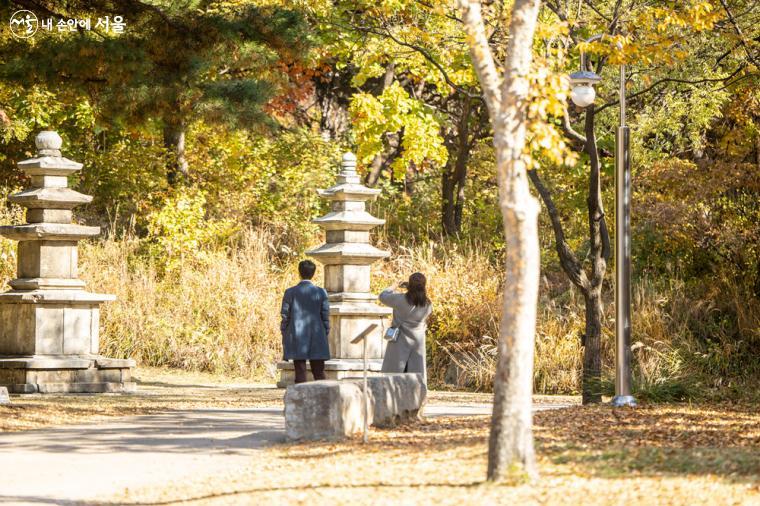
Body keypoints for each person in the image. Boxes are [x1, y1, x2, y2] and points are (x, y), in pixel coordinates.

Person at [280, 260, 331, 383]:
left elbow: (285, 314)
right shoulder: (321, 292)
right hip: (317, 333)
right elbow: (325, 314)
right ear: (313, 273)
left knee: (300, 370)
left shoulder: (290, 292)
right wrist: (325, 330)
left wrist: (284, 330)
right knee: (319, 371)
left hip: (296, 333)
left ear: (299, 272)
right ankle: (323, 397)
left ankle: (300, 398)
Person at [379, 272, 432, 382]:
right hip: (417, 342)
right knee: (415, 376)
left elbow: (382, 296)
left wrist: (394, 286)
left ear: (410, 285)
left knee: (394, 376)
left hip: (399, 341)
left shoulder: (399, 299)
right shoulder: (428, 304)